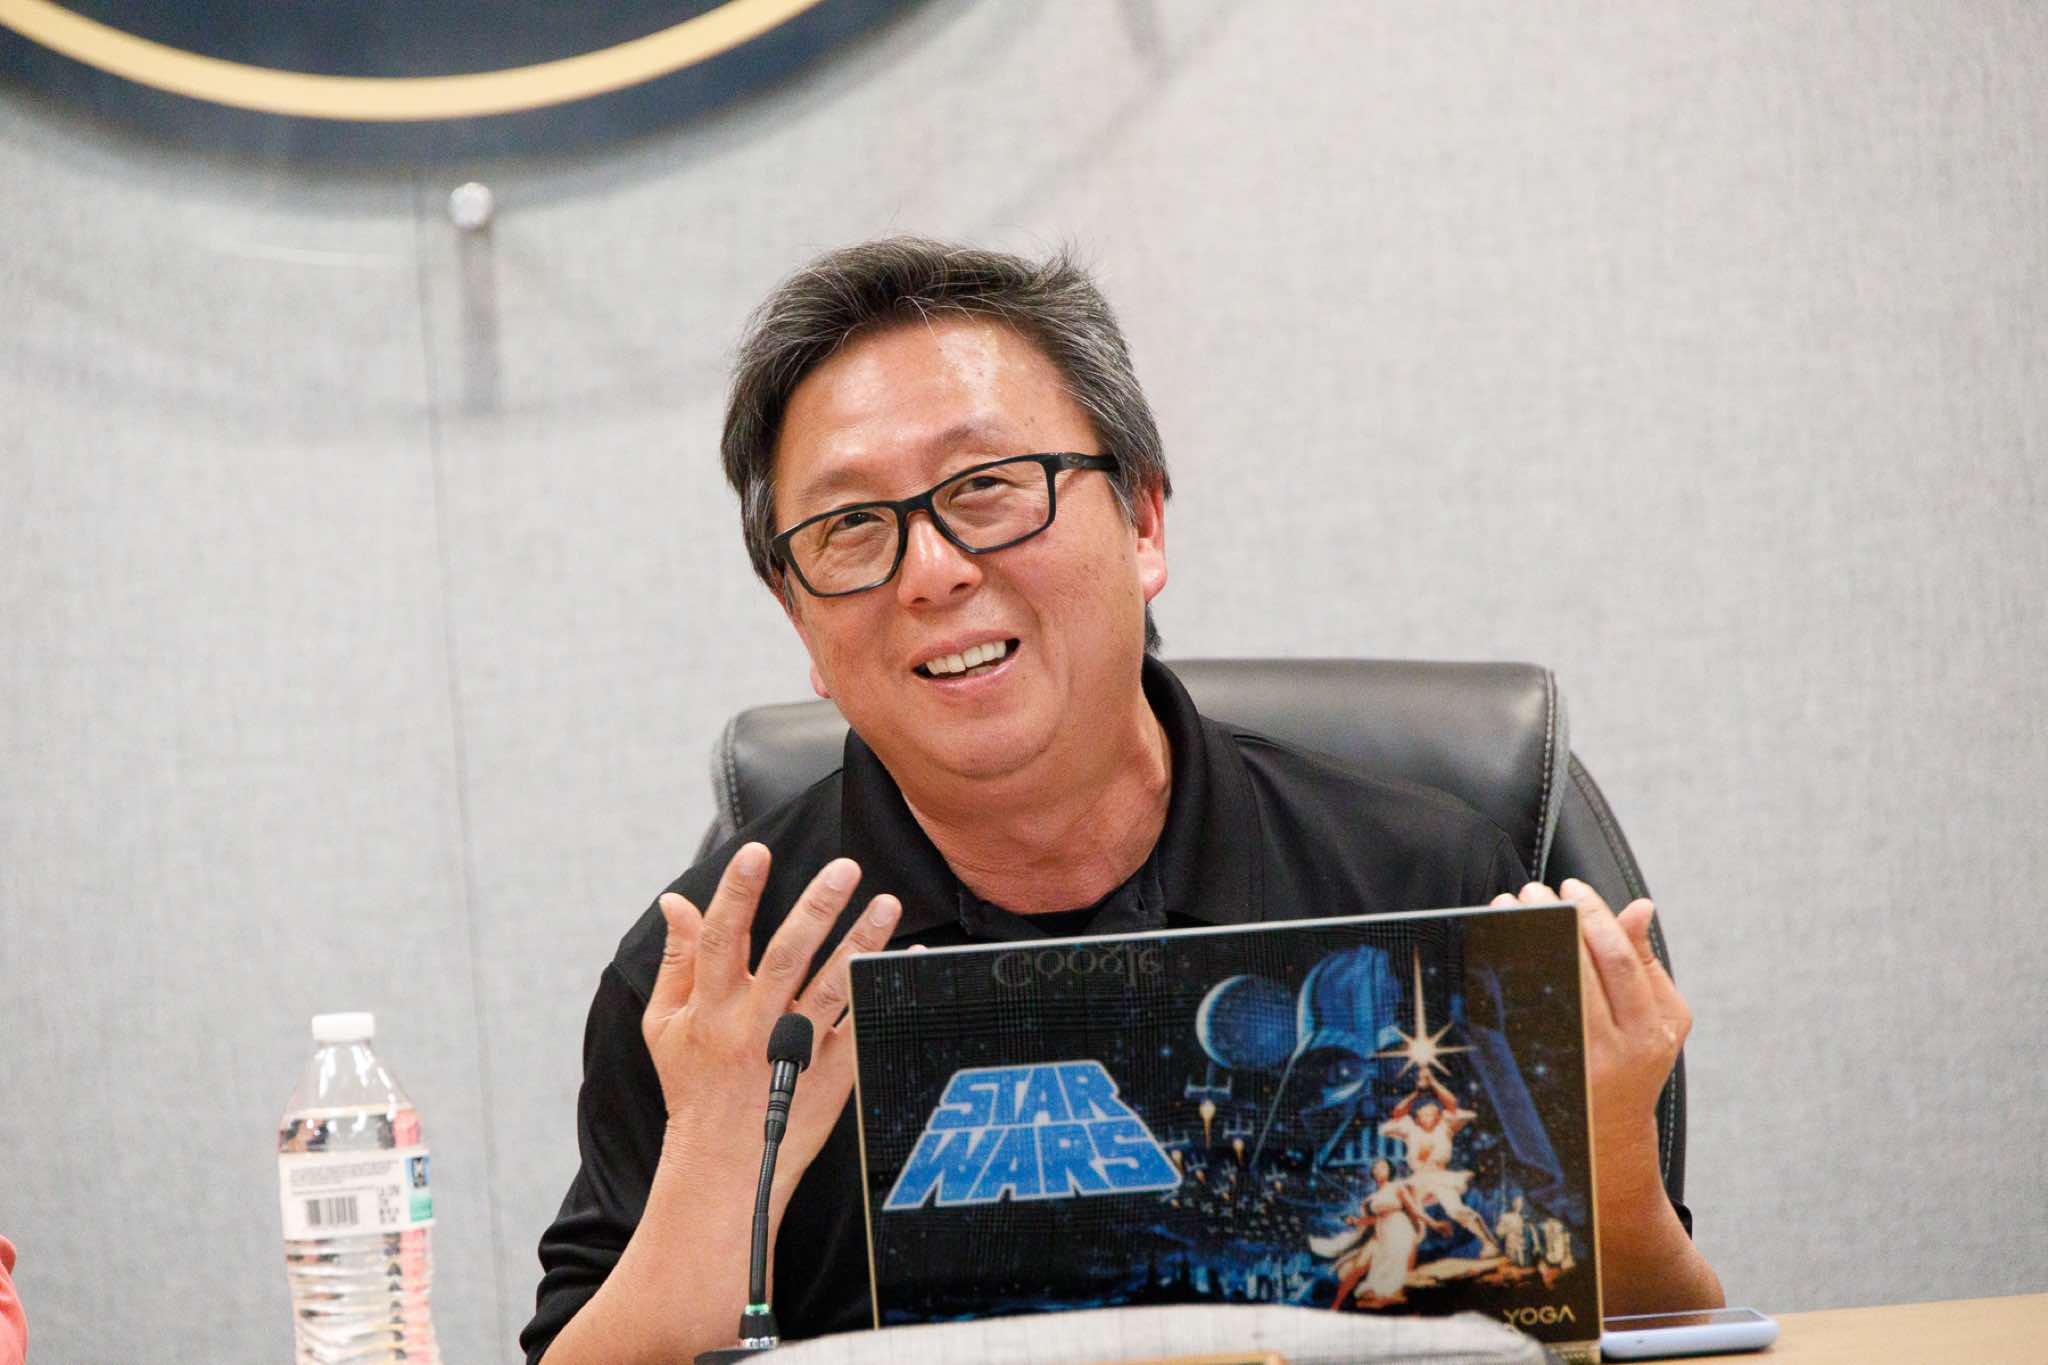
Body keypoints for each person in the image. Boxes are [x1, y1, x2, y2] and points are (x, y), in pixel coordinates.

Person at [521, 238, 1724, 1364]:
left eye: (985, 487)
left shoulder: (1423, 893)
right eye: (848, 528)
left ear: (1142, 521)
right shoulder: (721, 987)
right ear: (799, 619)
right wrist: (715, 1171)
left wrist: (1610, 1157)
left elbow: (1658, 1336)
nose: (931, 571)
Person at [1376, 1072, 1500, 1258]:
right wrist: (1416, 1093)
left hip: (1440, 1178)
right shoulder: (1410, 1129)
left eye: (1431, 1113)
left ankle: (1488, 1242)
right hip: (1418, 1179)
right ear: (1417, 1117)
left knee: (1456, 1210)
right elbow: (1397, 1113)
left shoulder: (1445, 1126)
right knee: (1408, 1213)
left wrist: (1433, 1083)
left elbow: (1451, 1104)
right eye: (1423, 1114)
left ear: (1438, 1115)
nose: (1427, 1117)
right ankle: (1400, 1252)